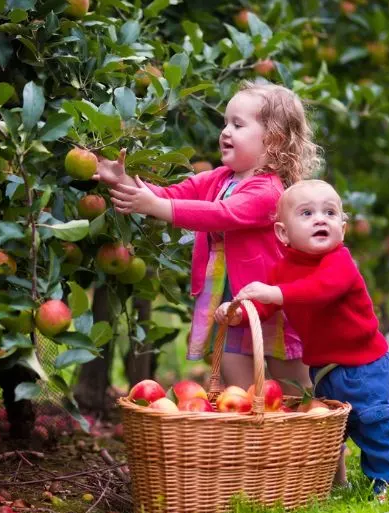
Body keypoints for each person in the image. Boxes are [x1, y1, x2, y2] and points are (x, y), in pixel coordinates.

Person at [95, 82, 322, 393]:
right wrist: (123, 182)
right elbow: (167, 194)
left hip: (273, 306)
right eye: (225, 123)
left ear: (273, 139)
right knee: (239, 393)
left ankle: (317, 438)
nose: (225, 131)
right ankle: (252, 438)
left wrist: (157, 206)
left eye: (238, 125)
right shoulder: (218, 179)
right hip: (229, 305)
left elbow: (221, 215)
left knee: (295, 387)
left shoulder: (269, 190)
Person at [214, 179, 389, 495]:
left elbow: (320, 291)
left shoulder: (339, 261)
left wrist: (274, 293)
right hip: (323, 370)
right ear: (282, 233)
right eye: (307, 213)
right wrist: (237, 312)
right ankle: (327, 484)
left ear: (342, 228)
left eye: (330, 213)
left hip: (365, 366)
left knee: (374, 423)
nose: (321, 219)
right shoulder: (283, 270)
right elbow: (265, 307)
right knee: (332, 428)